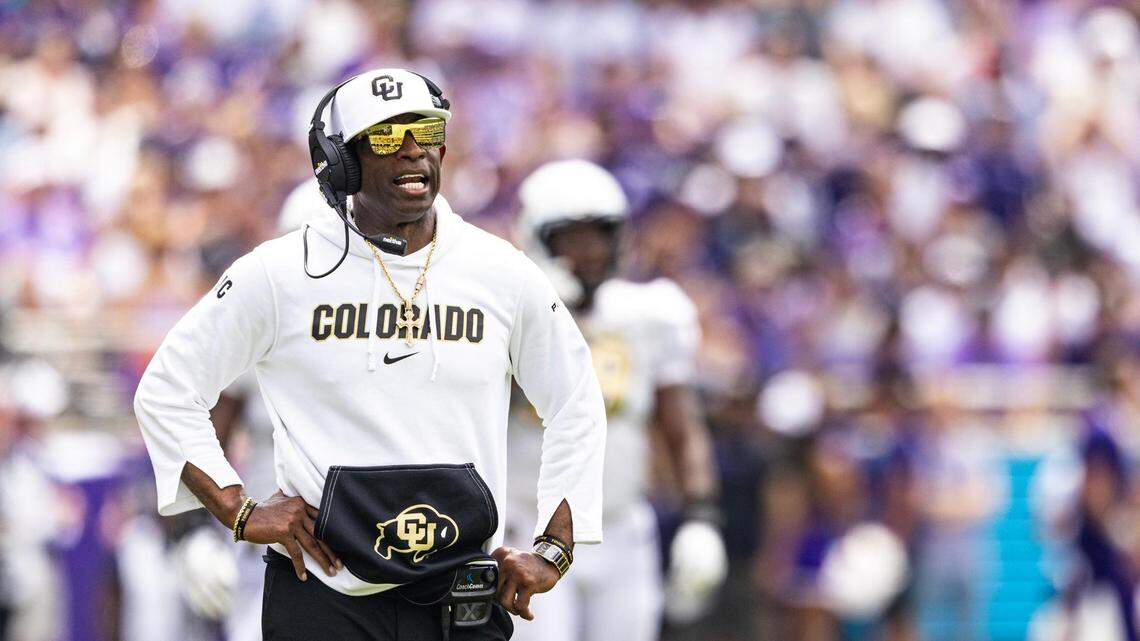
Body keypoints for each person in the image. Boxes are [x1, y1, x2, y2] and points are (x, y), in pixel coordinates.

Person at [133, 68, 607, 641]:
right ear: (342, 163)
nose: (413, 150)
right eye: (386, 136)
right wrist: (237, 509)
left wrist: (555, 547)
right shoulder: (280, 272)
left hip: (460, 591)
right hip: (323, 591)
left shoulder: (502, 272)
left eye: (426, 131)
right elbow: (167, 390)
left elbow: (576, 403)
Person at [505, 160, 727, 641]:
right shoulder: (507, 312)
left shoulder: (648, 315)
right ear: (537, 238)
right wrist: (542, 309)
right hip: (530, 529)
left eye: (599, 235)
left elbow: (681, 427)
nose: (589, 251)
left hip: (622, 529)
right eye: (572, 238)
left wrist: (701, 516)